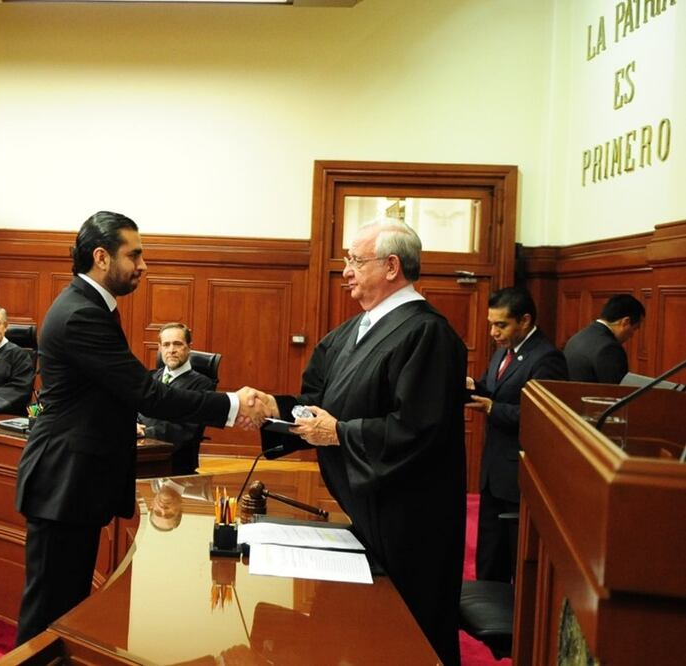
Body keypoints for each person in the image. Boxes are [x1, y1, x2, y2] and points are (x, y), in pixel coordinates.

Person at [14, 211, 270, 645]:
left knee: (66, 606)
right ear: (101, 257)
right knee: (48, 615)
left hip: (73, 481)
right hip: (64, 480)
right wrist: (231, 405)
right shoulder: (81, 314)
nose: (143, 266)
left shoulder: (90, 305)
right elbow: (147, 394)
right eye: (134, 255)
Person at [259, 220, 468, 666]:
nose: (346, 271)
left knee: (406, 637)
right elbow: (318, 402)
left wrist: (338, 433)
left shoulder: (427, 333)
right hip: (365, 505)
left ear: (392, 266)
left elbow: (417, 428)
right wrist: (271, 410)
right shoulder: (354, 329)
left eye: (355, 260)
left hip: (409, 520)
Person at [468, 286, 567, 584]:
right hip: (493, 473)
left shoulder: (547, 358)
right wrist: (473, 386)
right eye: (491, 325)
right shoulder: (503, 353)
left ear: (524, 321)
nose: (494, 332)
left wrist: (492, 408)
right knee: (489, 556)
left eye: (501, 325)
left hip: (519, 477)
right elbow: (491, 388)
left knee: (517, 563)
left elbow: (543, 417)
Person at [137, 323, 214, 475]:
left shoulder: (202, 384)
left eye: (177, 344)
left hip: (175, 464)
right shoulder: (151, 377)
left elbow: (182, 430)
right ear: (159, 348)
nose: (171, 350)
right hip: (141, 454)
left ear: (189, 347)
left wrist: (144, 433)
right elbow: (137, 410)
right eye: (166, 345)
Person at [564, 294, 645, 384]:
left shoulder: (577, 337)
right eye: (635, 328)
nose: (632, 335)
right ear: (625, 322)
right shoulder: (609, 348)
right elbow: (617, 393)